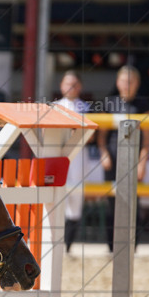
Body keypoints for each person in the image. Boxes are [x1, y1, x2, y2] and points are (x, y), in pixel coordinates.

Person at [96, 65, 149, 251]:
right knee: (112, 202)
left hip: (133, 158)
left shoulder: (144, 105)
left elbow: (148, 140)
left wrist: (142, 163)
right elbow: (102, 136)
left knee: (133, 202)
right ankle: (111, 246)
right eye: (124, 81)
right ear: (118, 83)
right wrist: (103, 153)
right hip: (112, 157)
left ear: (137, 83)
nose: (127, 84)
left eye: (131, 81)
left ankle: (132, 246)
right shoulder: (109, 103)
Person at [53, 70, 90, 252]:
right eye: (67, 83)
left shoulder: (86, 107)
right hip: (57, 155)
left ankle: (68, 246)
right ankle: (55, 243)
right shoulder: (54, 107)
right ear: (61, 85)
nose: (70, 87)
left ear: (80, 87)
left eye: (74, 84)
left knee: (75, 199)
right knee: (55, 197)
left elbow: (90, 134)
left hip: (78, 157)